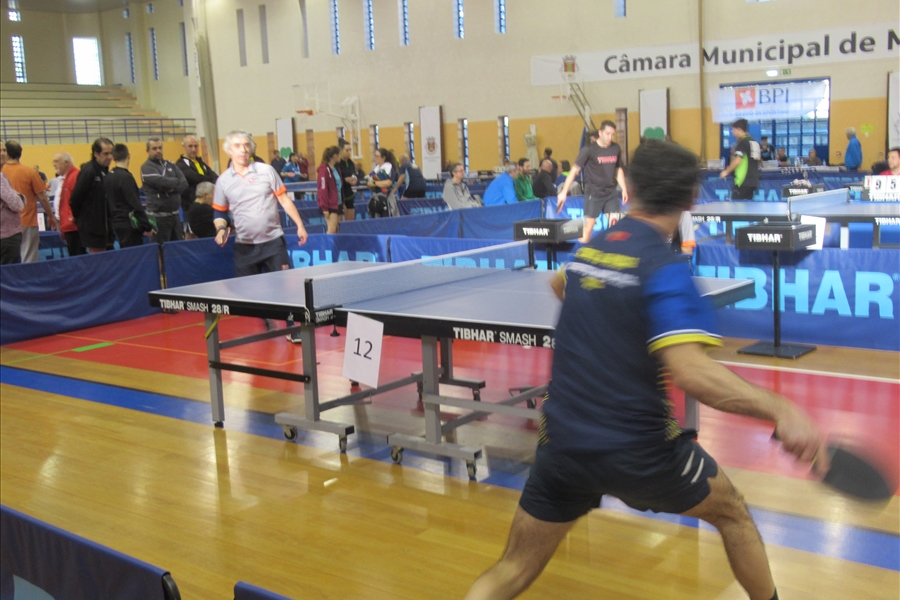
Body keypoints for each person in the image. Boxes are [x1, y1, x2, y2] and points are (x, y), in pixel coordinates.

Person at [464, 140, 825, 600]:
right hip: (640, 452)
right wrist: (780, 409)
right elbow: (692, 373)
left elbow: (561, 285)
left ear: (630, 189)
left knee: (513, 568)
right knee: (732, 511)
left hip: (563, 446)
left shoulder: (591, 250)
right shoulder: (665, 267)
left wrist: (614, 324)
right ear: (690, 199)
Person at [213, 130, 309, 342]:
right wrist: (220, 229)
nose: (243, 149)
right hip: (245, 246)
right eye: (237, 146)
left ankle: (292, 328)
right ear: (229, 151)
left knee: (286, 288)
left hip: (273, 241)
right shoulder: (223, 181)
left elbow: (284, 199)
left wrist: (300, 225)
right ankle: (267, 319)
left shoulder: (266, 171)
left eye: (246, 145)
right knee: (251, 292)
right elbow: (219, 213)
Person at [557, 120, 627, 243]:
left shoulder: (616, 148)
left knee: (616, 226)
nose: (610, 137)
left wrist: (624, 188)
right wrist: (564, 192)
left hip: (610, 193)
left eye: (612, 134)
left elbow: (618, 169)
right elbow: (574, 171)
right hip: (593, 193)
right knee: (588, 227)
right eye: (607, 134)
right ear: (600, 132)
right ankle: (582, 252)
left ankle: (614, 252)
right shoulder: (589, 150)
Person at [1, 140, 57, 262]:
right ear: (20, 153)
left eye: (4, 150)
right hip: (27, 221)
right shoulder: (29, 172)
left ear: (8, 153)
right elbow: (42, 197)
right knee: (29, 259)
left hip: (6, 227)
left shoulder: (3, 172)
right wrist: (51, 216)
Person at [69, 138, 115, 253]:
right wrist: (79, 217)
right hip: (93, 226)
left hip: (106, 224)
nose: (110, 157)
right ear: (96, 154)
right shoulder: (89, 171)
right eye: (106, 154)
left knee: (109, 257)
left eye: (111, 153)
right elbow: (75, 198)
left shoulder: (105, 171)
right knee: (98, 259)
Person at [141, 136, 188, 244]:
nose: (158, 150)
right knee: (160, 249)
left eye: (160, 148)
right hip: (158, 218)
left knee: (178, 248)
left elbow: (184, 183)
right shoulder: (146, 167)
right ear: (148, 150)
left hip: (175, 216)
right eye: (154, 148)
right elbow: (161, 182)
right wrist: (175, 182)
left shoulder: (171, 164)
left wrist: (170, 188)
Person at [105, 143, 148, 249]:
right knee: (134, 253)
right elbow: (135, 203)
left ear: (113, 157)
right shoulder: (126, 177)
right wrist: (146, 226)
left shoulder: (108, 176)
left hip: (115, 223)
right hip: (129, 224)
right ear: (128, 156)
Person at [175, 134, 218, 218]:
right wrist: (210, 179)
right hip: (191, 206)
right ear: (184, 146)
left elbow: (215, 176)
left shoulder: (201, 163)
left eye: (196, 146)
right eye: (190, 146)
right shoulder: (180, 165)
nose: (193, 149)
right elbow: (197, 179)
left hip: (207, 205)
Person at [52, 152, 85, 257]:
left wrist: (73, 217)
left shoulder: (74, 177)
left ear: (66, 163)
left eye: (56, 161)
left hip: (73, 226)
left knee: (77, 256)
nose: (54, 164)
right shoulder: (65, 178)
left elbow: (78, 200)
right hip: (68, 224)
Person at [720, 119, 761, 201]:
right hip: (753, 182)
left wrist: (726, 171)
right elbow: (759, 160)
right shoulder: (755, 143)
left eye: (733, 130)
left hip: (742, 181)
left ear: (739, 130)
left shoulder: (742, 143)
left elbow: (737, 161)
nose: (732, 132)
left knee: (736, 207)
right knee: (748, 207)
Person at [0, 141, 25, 265]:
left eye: (4, 150)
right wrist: (19, 197)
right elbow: (17, 204)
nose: (3, 153)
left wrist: (19, 197)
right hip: (7, 237)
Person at [317, 146, 342, 234]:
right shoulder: (324, 170)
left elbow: (339, 186)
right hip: (330, 204)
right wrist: (324, 208)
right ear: (335, 156)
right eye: (339, 154)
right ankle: (327, 243)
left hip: (338, 202)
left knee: (337, 230)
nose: (340, 156)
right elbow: (322, 189)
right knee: (332, 229)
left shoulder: (336, 168)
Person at [367, 147, 399, 216]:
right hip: (376, 197)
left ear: (383, 158)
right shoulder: (376, 170)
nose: (375, 158)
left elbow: (388, 182)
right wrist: (369, 184)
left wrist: (374, 183)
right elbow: (370, 181)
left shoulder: (388, 168)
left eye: (377, 156)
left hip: (385, 198)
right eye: (375, 156)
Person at [336, 140, 359, 222]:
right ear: (340, 150)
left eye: (350, 150)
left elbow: (354, 174)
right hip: (339, 197)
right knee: (338, 223)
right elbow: (335, 179)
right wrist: (345, 180)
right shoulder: (337, 164)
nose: (349, 152)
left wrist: (354, 179)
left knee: (350, 222)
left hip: (349, 195)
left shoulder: (351, 163)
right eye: (347, 150)